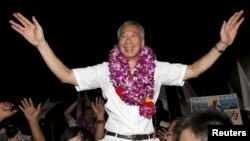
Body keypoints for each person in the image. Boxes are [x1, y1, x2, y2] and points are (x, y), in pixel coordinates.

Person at [9, 10, 244, 141]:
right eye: (123, 36)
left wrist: (221, 45)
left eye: (134, 36)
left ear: (143, 43)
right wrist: (41, 44)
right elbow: (66, 75)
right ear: (117, 43)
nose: (128, 40)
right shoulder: (105, 70)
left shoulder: (157, 68)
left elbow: (193, 70)